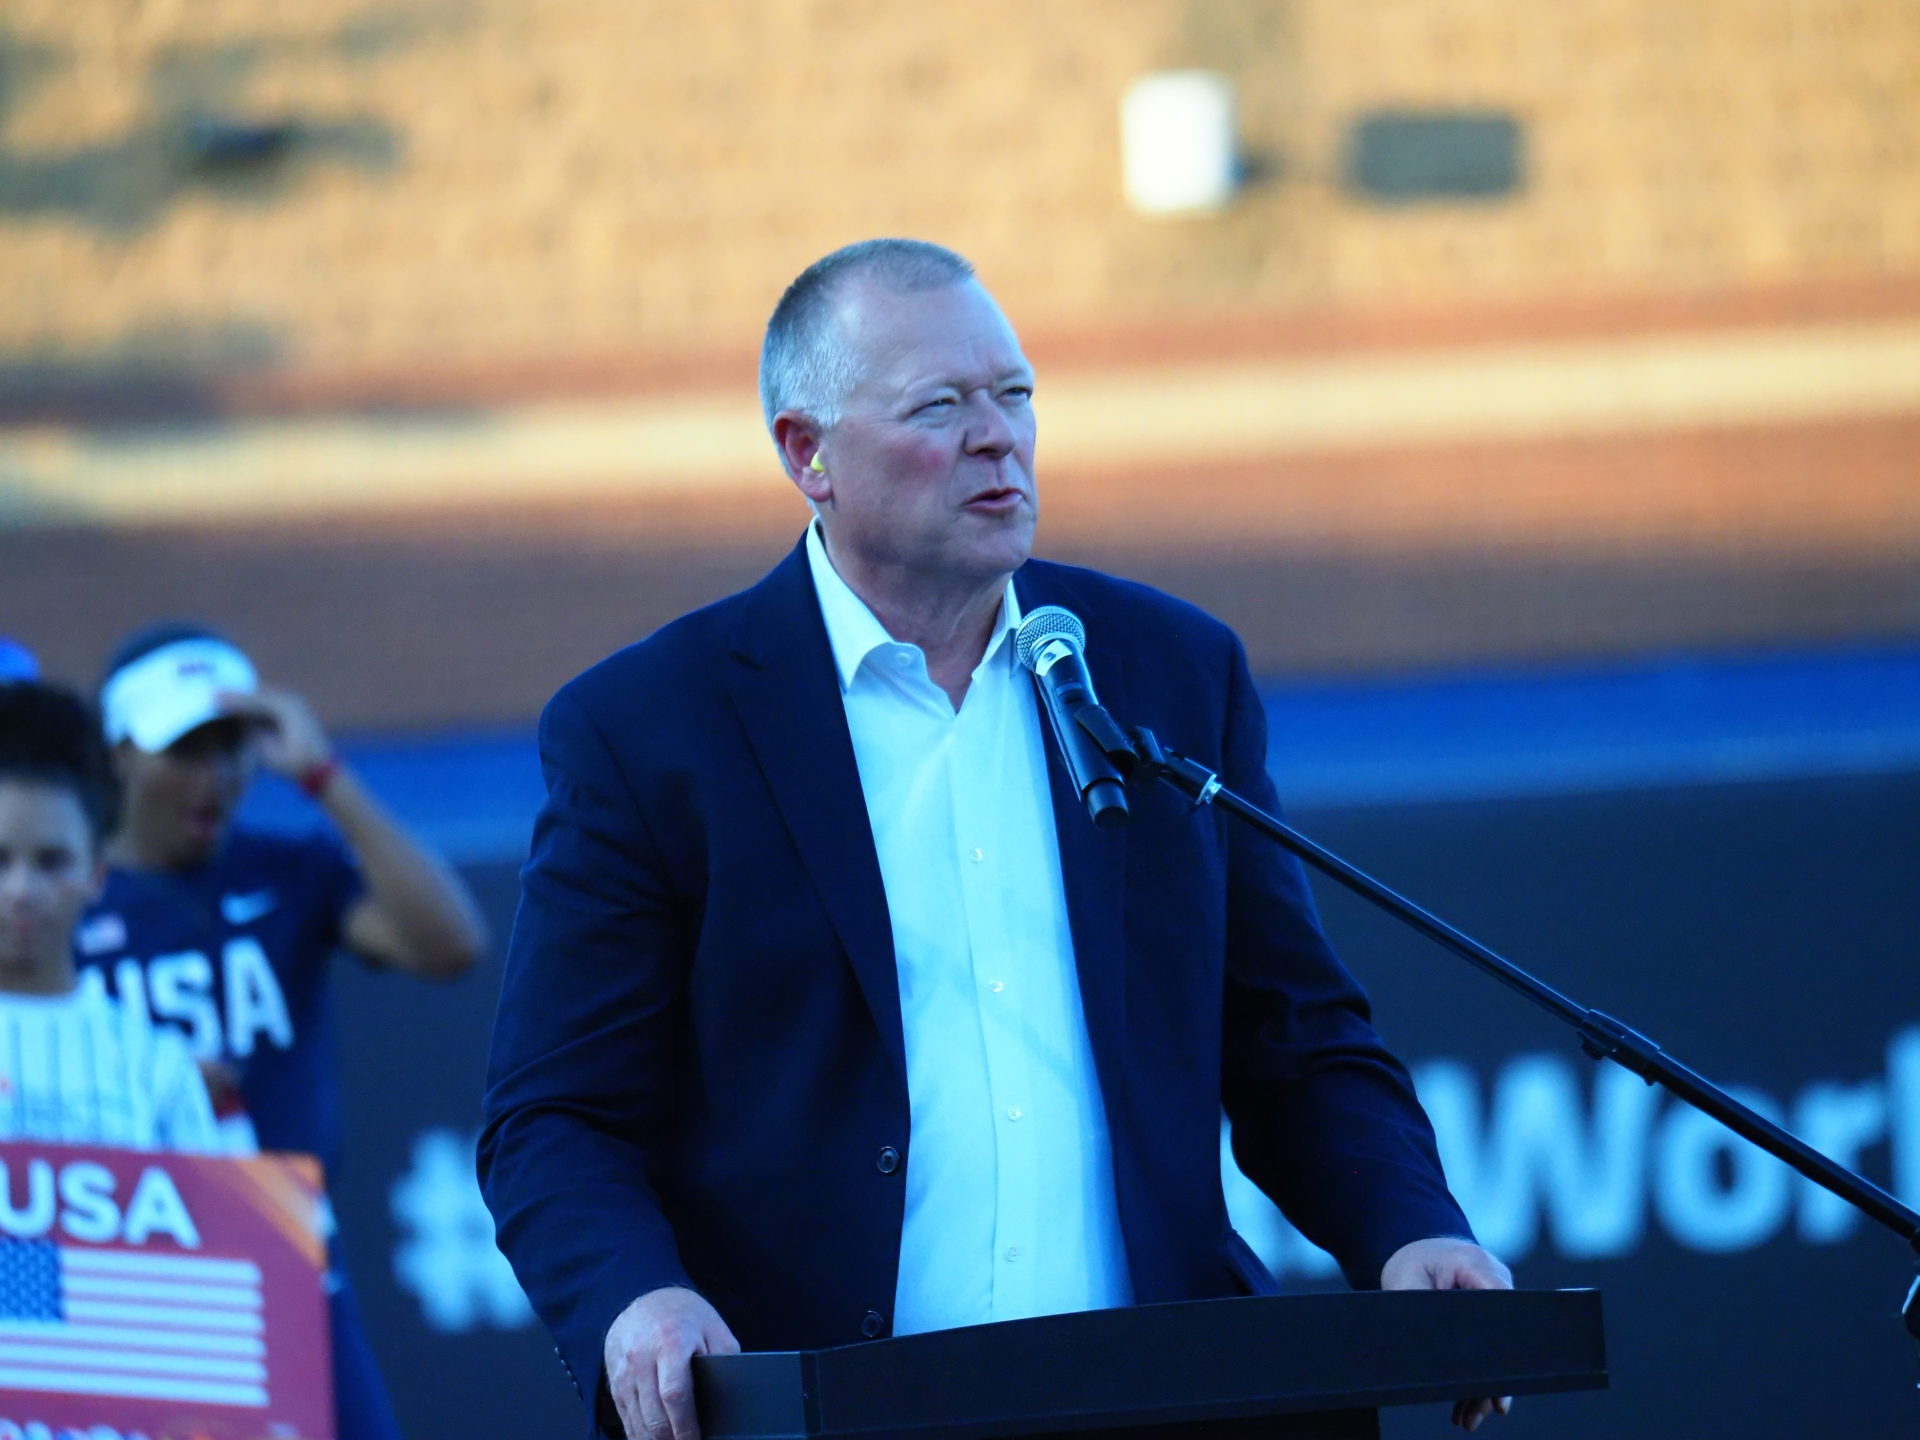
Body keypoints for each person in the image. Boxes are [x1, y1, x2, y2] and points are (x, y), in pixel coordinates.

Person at [480, 239, 1513, 1440]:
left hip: (1167, 1401)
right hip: (827, 1410)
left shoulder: (1168, 673)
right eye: (940, 406)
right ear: (807, 453)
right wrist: (636, 1299)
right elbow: (553, 1116)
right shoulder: (653, 727)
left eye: (1014, 395)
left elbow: (1295, 1039)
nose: (997, 438)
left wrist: (1407, 1226)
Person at [78, 624, 489, 1440]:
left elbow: (450, 946)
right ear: (118, 753)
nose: (216, 775)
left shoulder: (290, 870)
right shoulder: (64, 893)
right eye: (185, 750)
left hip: (282, 1253)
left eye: (233, 747)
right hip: (123, 1271)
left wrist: (322, 775)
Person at [0, 678, 222, 1149]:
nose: (21, 891)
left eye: (52, 862)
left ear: (97, 874)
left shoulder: (157, 1066)